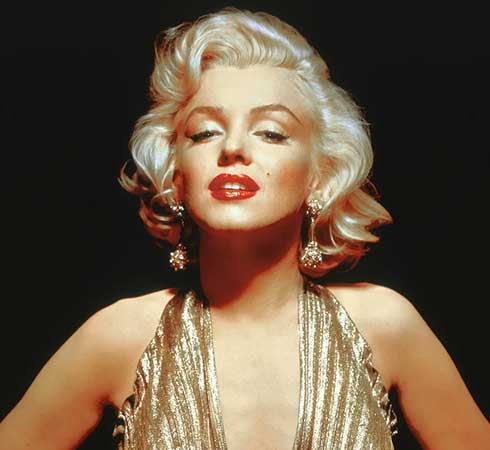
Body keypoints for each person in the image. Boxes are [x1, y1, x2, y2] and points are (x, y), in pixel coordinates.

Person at [1, 7, 488, 450]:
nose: (233, 148)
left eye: (272, 132)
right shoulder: (119, 336)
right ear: (176, 176)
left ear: (320, 174)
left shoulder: (386, 325)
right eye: (204, 132)